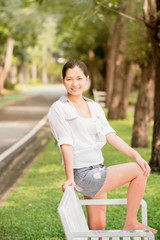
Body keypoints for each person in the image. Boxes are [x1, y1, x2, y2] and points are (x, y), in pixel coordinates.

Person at [48, 59, 157, 235]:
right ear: (63, 80)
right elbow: (66, 143)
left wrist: (135, 154)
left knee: (98, 228)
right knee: (139, 171)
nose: (74, 84)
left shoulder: (94, 106)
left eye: (79, 78)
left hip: (98, 168)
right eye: (69, 79)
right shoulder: (59, 108)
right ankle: (131, 222)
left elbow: (111, 135)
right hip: (84, 175)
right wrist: (70, 178)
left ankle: (123, 225)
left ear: (86, 79)